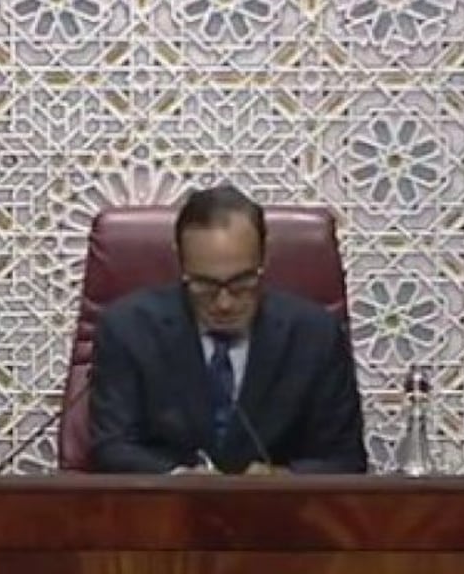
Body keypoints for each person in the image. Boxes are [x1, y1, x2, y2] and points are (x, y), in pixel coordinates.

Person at [88, 185, 368, 474]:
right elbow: (112, 447)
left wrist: (284, 478)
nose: (224, 304)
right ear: (181, 261)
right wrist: (179, 478)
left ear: (264, 257)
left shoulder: (316, 335)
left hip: (281, 513)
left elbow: (345, 460)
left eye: (241, 283)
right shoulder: (128, 329)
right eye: (204, 285)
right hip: (164, 513)